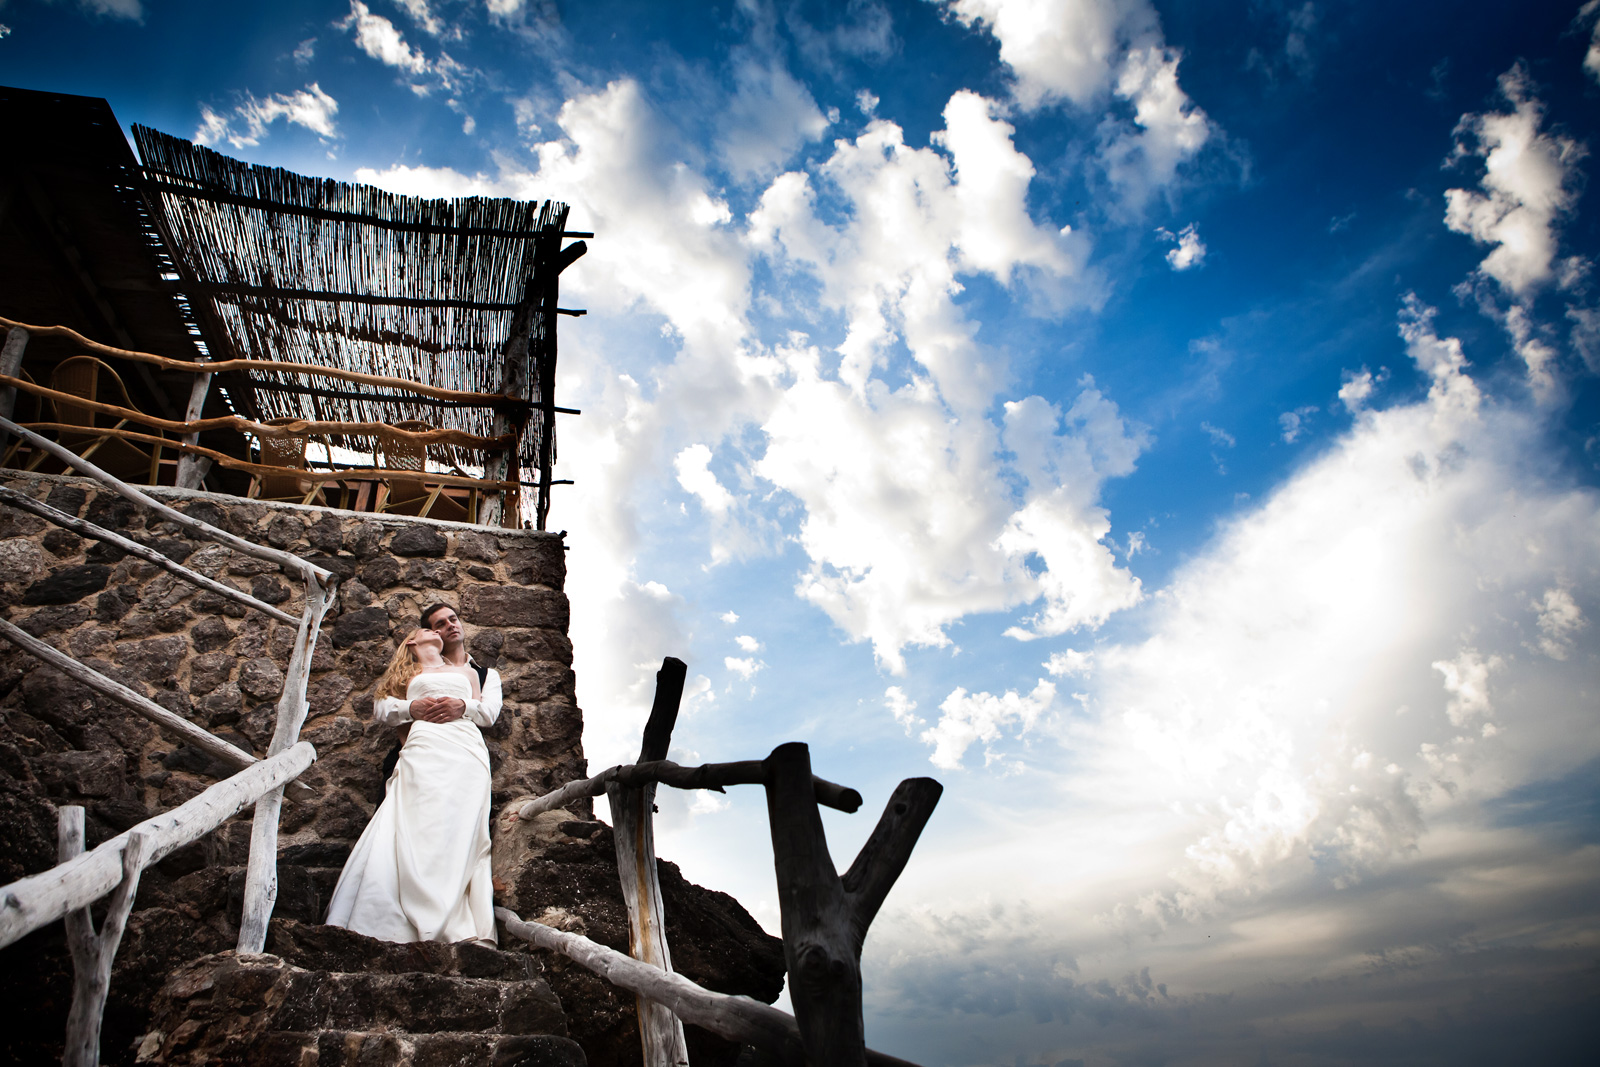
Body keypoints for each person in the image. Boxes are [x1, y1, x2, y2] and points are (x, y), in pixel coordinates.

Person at [323, 623, 499, 945]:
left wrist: (463, 706)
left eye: (441, 626)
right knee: (419, 820)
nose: (434, 629)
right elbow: (381, 709)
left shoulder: (467, 672)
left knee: (459, 824)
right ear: (412, 642)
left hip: (466, 750)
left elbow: (484, 711)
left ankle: (455, 906)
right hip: (424, 746)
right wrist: (411, 707)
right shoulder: (407, 674)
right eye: (425, 628)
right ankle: (409, 906)